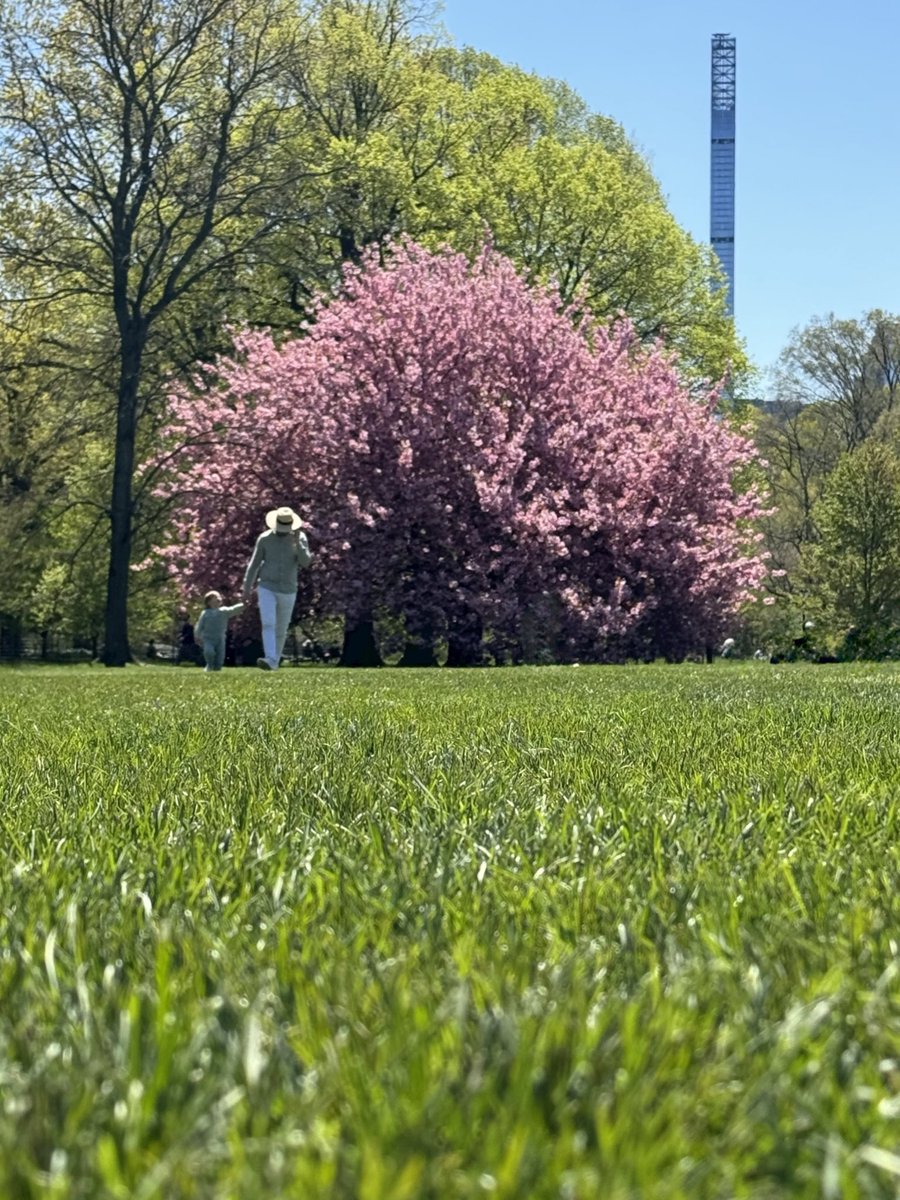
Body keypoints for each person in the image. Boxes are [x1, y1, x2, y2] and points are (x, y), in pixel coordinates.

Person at [242, 506, 312, 671]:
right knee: (268, 622)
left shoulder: (300, 537)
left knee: (281, 627)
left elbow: (306, 562)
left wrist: (298, 545)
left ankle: (273, 662)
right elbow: (254, 565)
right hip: (267, 586)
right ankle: (270, 657)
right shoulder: (265, 539)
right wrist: (246, 588)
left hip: (289, 589)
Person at [195, 591, 245, 672]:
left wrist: (243, 604)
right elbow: (200, 625)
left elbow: (234, 609)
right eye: (215, 597)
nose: (218, 599)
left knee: (220, 657)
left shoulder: (224, 611)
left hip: (220, 639)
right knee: (209, 652)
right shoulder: (205, 613)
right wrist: (197, 636)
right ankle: (210, 665)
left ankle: (217, 668)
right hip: (208, 638)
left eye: (219, 597)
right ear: (209, 602)